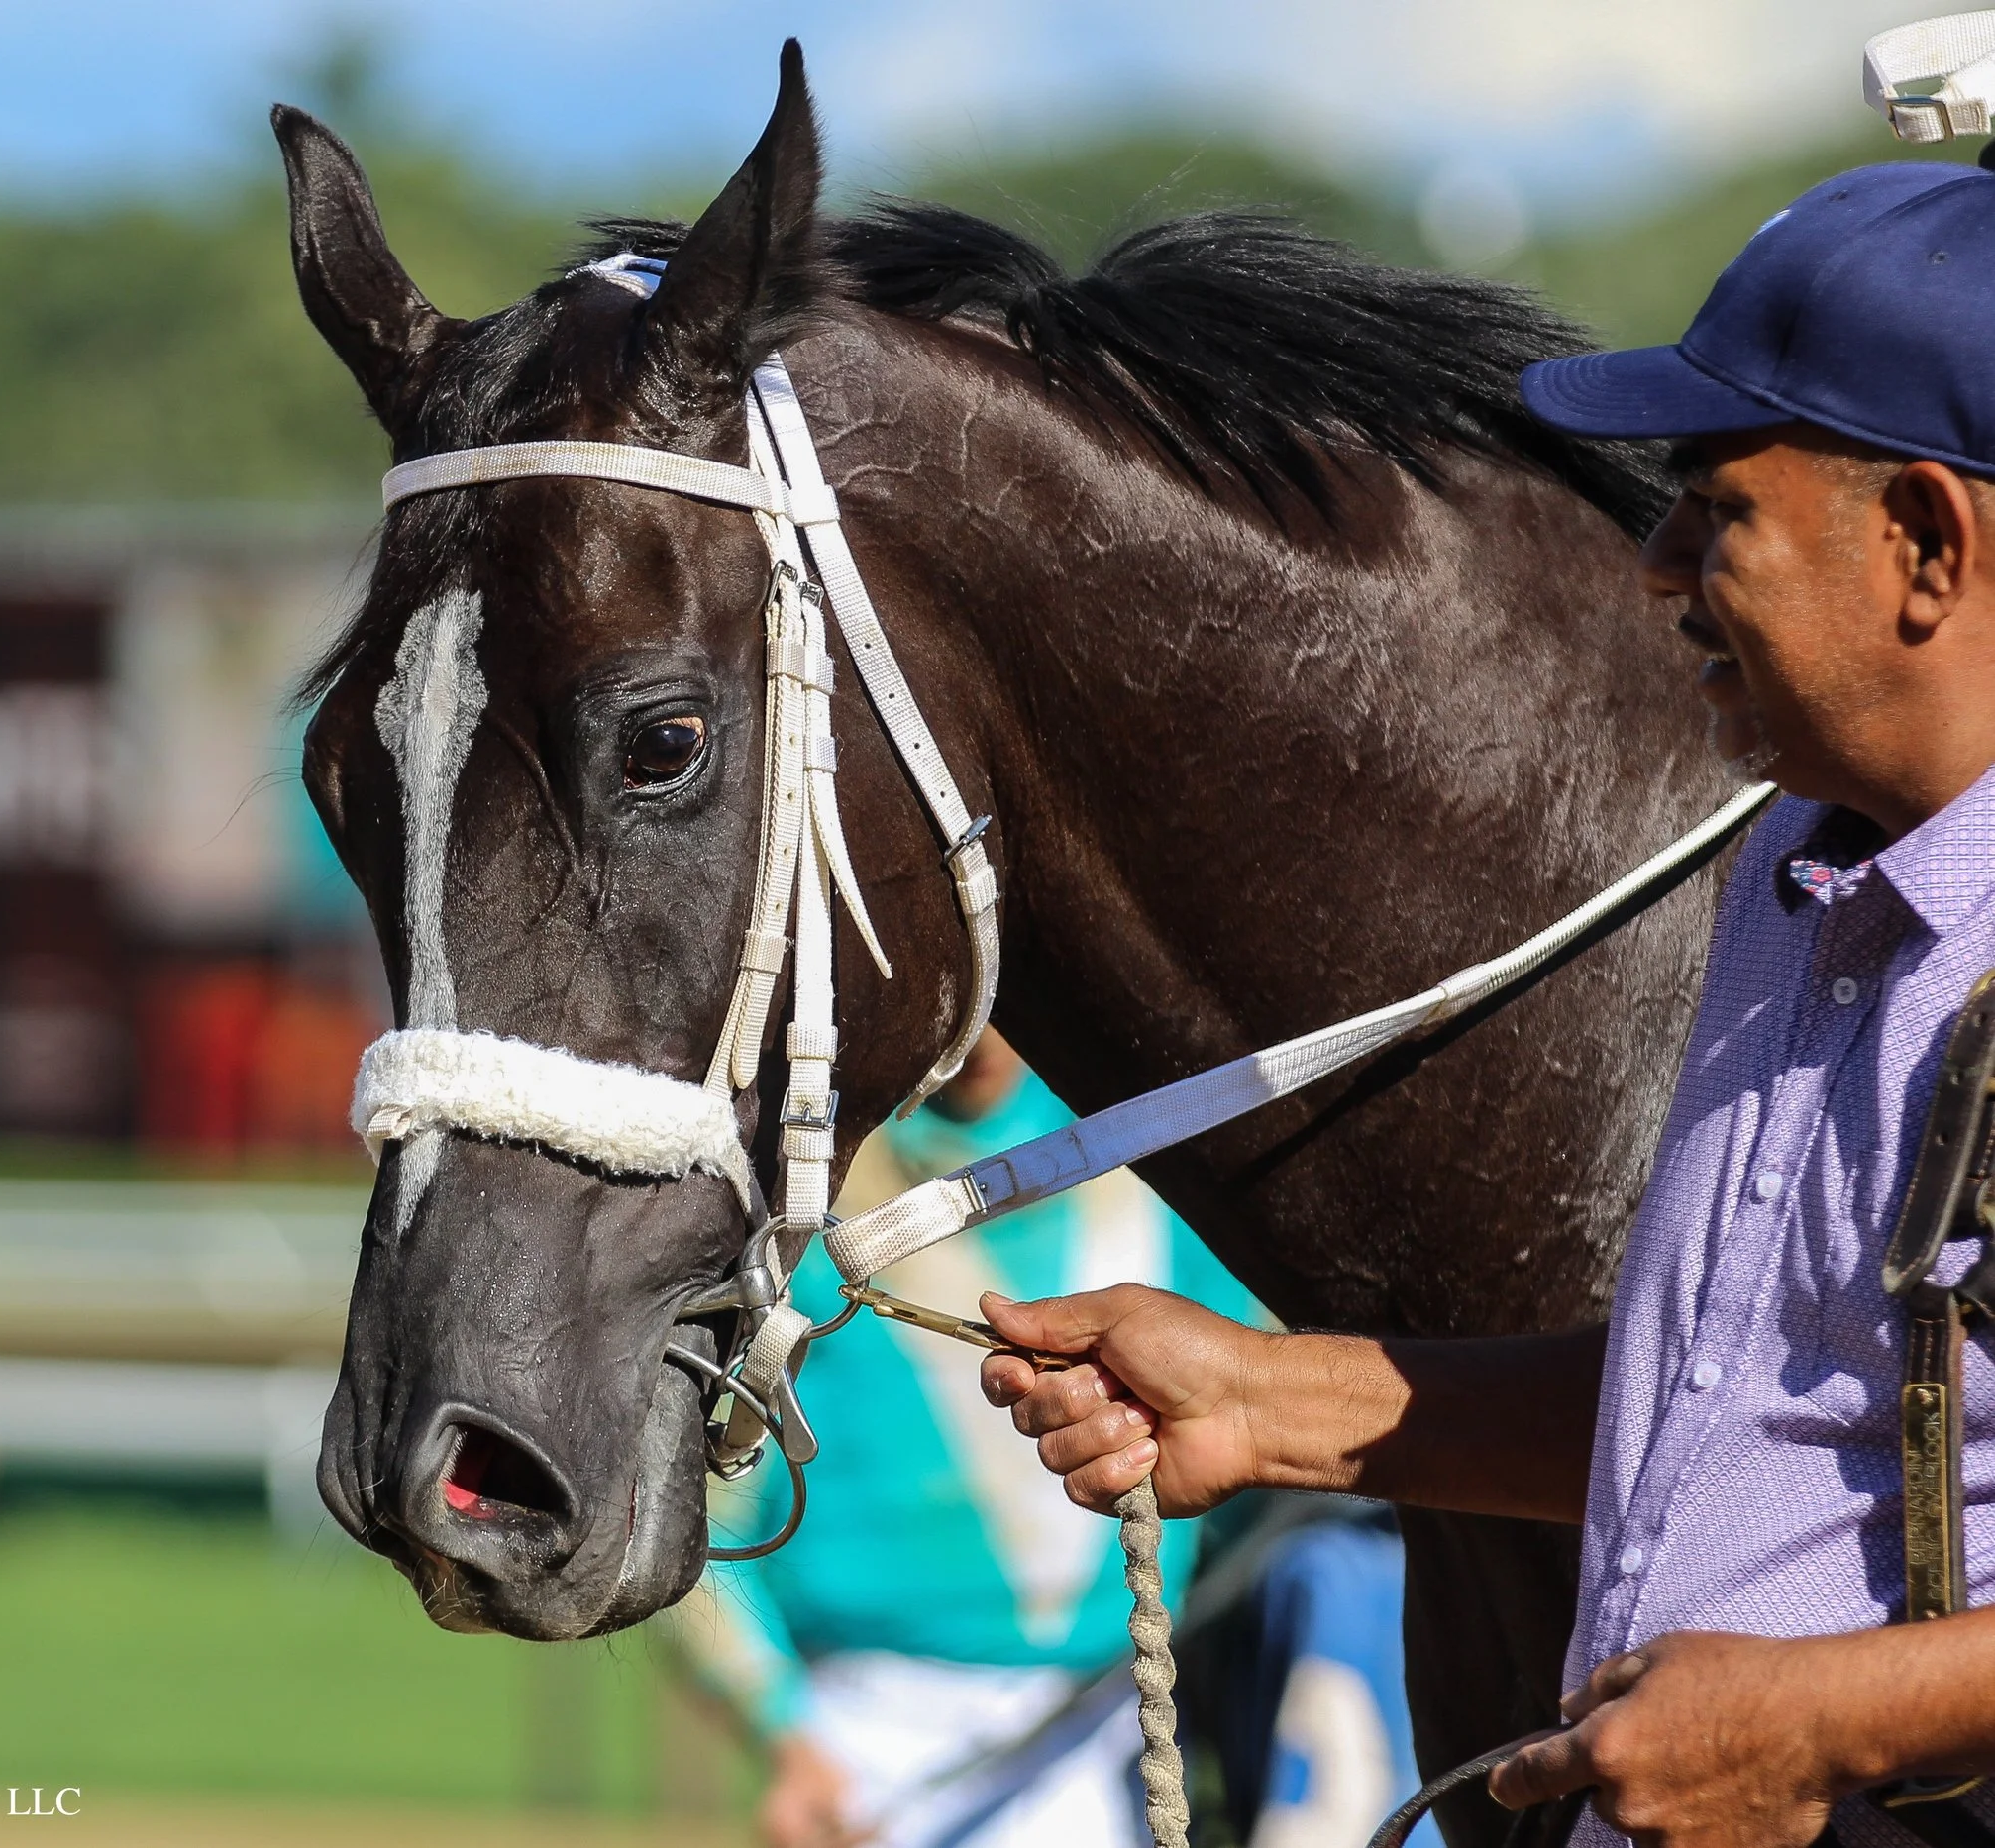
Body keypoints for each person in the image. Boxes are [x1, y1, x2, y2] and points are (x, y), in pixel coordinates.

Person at [980, 158, 1995, 1848]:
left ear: (1926, 545)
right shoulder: (1794, 868)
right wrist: (1274, 1402)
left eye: (1719, 507)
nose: (1657, 562)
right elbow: (1751, 1405)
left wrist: (1827, 1721)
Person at [669, 1031, 1437, 1848]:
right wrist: (787, 1734)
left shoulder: (1154, 1170)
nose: (988, 1026)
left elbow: (1279, 1431)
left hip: (1113, 1728)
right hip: (865, 1749)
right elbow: (700, 1525)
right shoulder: (807, 1204)